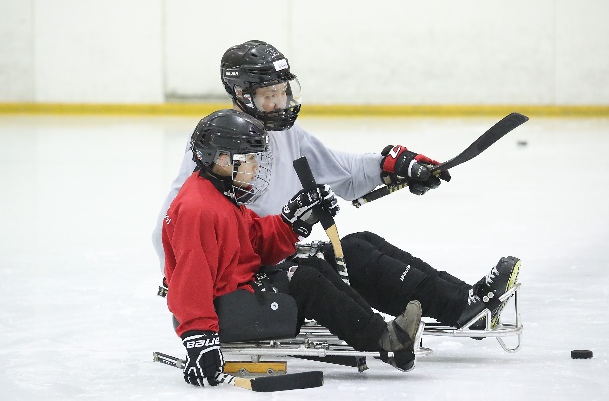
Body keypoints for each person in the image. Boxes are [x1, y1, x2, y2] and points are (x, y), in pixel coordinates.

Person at [153, 39, 521, 334]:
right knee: (357, 256)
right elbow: (171, 226)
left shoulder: (286, 134)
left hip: (273, 248)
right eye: (268, 95)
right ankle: (452, 311)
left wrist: (392, 165)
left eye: (282, 91)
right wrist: (186, 286)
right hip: (247, 274)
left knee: (362, 244)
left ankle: (466, 302)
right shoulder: (218, 147)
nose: (279, 102)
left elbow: (342, 173)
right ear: (241, 94)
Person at [163, 109, 423, 386]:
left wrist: (291, 221)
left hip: (235, 294)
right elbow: (191, 281)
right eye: (249, 158)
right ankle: (386, 342)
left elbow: (252, 240)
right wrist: (200, 340)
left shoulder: (219, 192)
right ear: (223, 160)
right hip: (222, 313)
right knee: (306, 281)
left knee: (311, 265)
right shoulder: (199, 209)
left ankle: (382, 332)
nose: (256, 165)